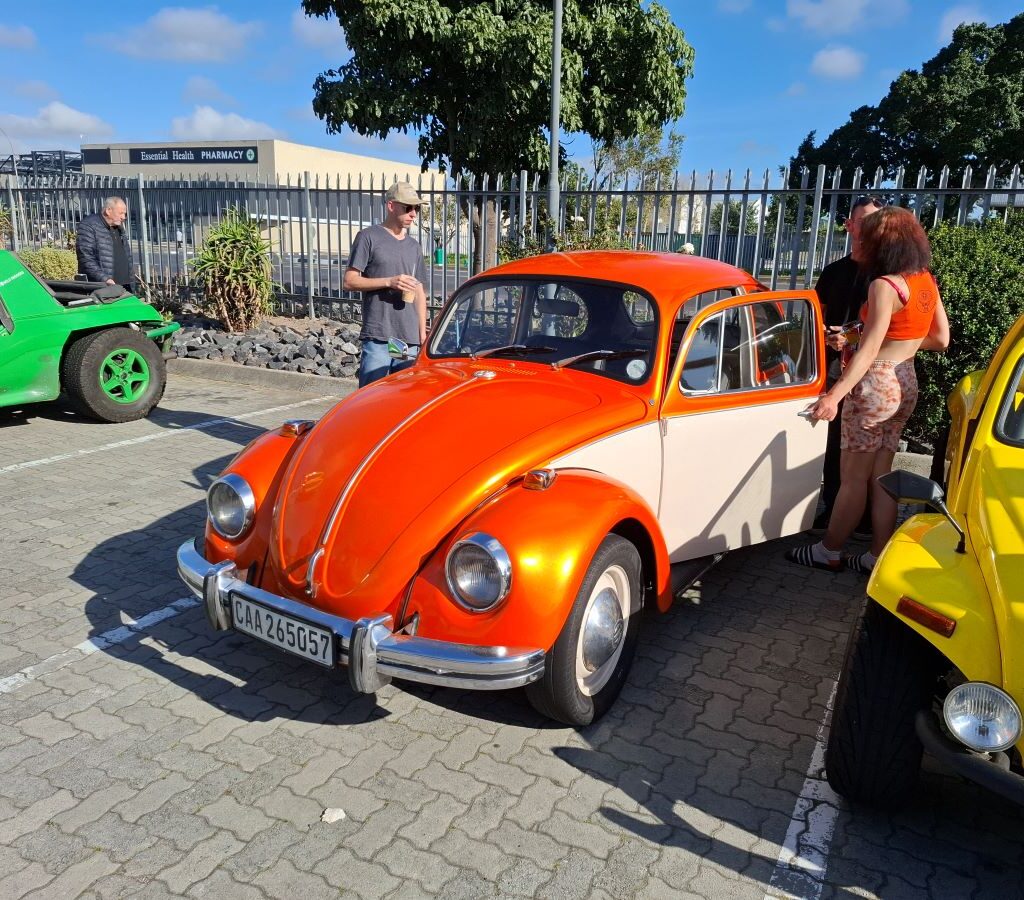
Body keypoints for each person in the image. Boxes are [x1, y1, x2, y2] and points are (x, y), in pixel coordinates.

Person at [787, 206, 950, 573]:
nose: (859, 240)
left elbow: (871, 349)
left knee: (853, 478)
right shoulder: (923, 278)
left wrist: (834, 394)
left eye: (866, 235)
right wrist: (894, 343)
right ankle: (877, 555)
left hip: (874, 384)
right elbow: (940, 339)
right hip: (906, 380)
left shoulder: (884, 285)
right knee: (882, 476)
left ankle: (828, 550)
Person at [811, 195, 884, 536]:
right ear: (849, 225)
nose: (867, 229)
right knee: (834, 442)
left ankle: (865, 518)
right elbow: (816, 315)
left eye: (875, 222)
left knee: (869, 453)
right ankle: (833, 508)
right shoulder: (834, 271)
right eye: (862, 222)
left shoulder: (887, 276)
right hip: (833, 368)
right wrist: (823, 336)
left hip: (874, 376)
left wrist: (851, 337)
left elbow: (886, 329)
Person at [343, 182, 428, 387]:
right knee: (371, 399)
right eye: (408, 208)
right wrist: (389, 281)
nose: (413, 214)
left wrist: (422, 335)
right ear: (391, 206)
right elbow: (349, 281)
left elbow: (419, 291)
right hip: (379, 336)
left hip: (407, 340)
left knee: (402, 400)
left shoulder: (414, 247)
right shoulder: (368, 237)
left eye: (416, 208)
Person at [76, 197, 135, 291]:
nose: (124, 217)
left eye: (125, 213)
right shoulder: (89, 225)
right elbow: (86, 258)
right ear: (108, 210)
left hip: (126, 285)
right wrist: (105, 279)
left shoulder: (118, 227)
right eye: (121, 213)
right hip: (104, 286)